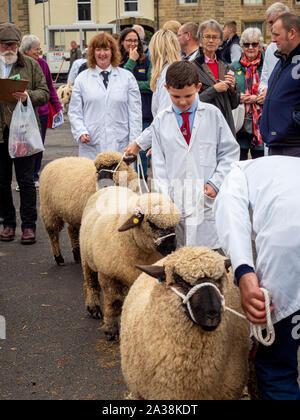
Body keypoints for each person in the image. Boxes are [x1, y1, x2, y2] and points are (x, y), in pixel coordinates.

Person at [214, 155, 300, 400]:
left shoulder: (235, 175)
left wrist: (244, 274)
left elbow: (232, 217)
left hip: (287, 248)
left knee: (277, 367)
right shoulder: (284, 168)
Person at [131, 60, 239, 249]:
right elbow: (159, 165)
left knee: (208, 257)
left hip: (207, 199)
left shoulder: (213, 115)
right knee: (181, 260)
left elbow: (229, 153)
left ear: (198, 88)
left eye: (188, 96)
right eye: (176, 97)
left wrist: (216, 182)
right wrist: (166, 200)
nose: (182, 102)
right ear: (166, 89)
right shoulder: (161, 121)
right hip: (176, 200)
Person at [0, 23, 49, 244]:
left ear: (19, 45)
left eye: (12, 45)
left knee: (26, 181)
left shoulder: (31, 64)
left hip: (23, 134)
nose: (8, 49)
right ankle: (8, 224)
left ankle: (29, 227)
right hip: (1, 135)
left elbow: (45, 93)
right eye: (3, 45)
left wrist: (27, 95)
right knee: (2, 182)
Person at [68, 32, 142, 160]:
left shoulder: (127, 78)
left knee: (122, 179)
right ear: (92, 53)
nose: (102, 53)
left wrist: (134, 142)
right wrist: (80, 131)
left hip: (121, 145)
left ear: (112, 51)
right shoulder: (82, 79)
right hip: (91, 146)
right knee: (92, 179)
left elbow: (135, 113)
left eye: (106, 49)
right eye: (98, 49)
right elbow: (74, 111)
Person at [124, 29, 182, 156]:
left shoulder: (168, 75)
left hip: (173, 144)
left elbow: (165, 118)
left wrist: (138, 144)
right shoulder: (172, 71)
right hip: (169, 140)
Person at [19, 34, 63, 187]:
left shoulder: (43, 64)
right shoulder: (19, 65)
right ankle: (25, 177)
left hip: (42, 113)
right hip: (23, 112)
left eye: (39, 49)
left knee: (38, 145)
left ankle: (34, 175)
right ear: (26, 51)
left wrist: (58, 107)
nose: (39, 52)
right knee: (24, 145)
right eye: (36, 50)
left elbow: (50, 87)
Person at [260, 13, 300, 157]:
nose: (273, 39)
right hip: (276, 145)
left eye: (277, 34)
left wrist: (291, 122)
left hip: (293, 147)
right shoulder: (282, 59)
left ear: (292, 33)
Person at [194, 19, 240, 136]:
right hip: (203, 127)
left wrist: (233, 88)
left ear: (220, 40)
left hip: (225, 126)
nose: (211, 40)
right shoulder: (192, 67)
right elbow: (191, 102)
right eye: (207, 36)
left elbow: (234, 104)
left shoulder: (228, 67)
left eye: (214, 37)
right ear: (200, 39)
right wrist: (214, 90)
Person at [119, 28, 152, 179]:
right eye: (129, 40)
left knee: (141, 152)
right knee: (122, 153)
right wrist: (131, 62)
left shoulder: (146, 60)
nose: (133, 43)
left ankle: (140, 180)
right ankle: (124, 182)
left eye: (135, 40)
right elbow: (120, 84)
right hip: (121, 115)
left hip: (144, 114)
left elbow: (151, 85)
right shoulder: (117, 61)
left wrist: (132, 85)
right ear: (122, 42)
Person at [232, 28, 265, 160]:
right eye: (246, 44)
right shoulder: (234, 66)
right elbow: (228, 94)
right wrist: (239, 97)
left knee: (261, 165)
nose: (250, 47)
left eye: (254, 44)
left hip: (261, 124)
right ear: (242, 46)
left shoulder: (267, 67)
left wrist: (259, 98)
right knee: (240, 164)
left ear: (260, 45)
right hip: (240, 124)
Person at [258, 2, 290, 99]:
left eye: (276, 21)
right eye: (270, 22)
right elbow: (264, 80)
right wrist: (265, 90)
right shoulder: (271, 48)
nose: (272, 27)